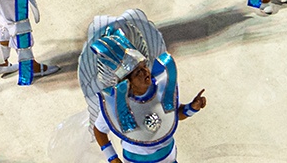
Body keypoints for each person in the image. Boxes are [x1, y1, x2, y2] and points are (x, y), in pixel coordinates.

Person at [77, 9, 206, 163]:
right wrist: (112, 158)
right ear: (127, 81)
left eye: (144, 66)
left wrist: (192, 108)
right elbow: (99, 131)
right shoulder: (114, 103)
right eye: (138, 71)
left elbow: (172, 117)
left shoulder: (163, 87)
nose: (146, 71)